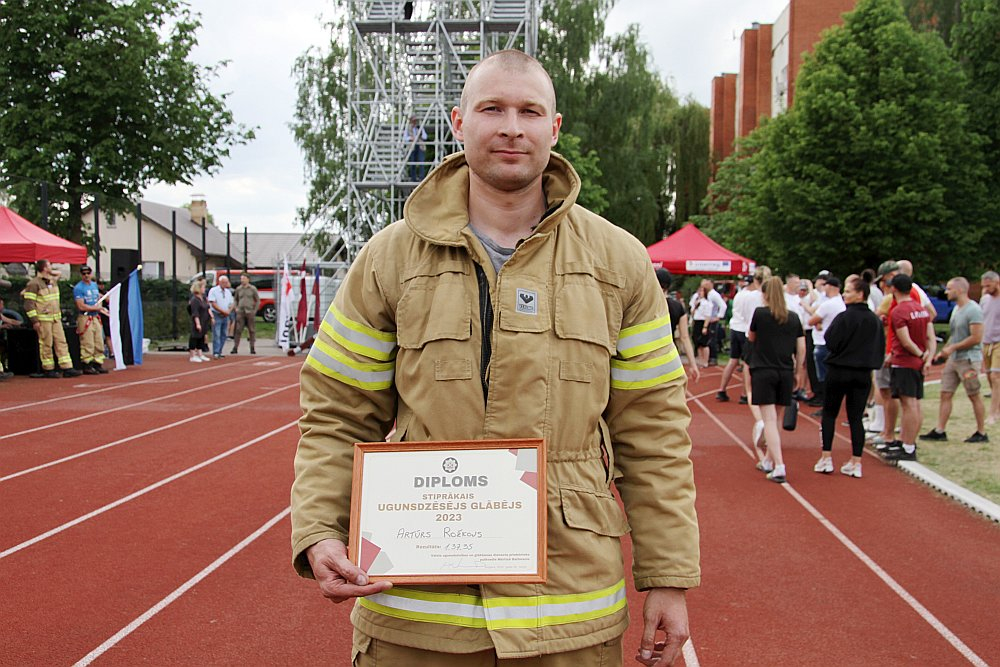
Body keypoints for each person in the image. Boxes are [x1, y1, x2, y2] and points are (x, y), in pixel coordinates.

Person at [292, 50, 699, 667]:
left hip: (568, 618)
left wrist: (668, 574)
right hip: (416, 619)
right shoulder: (389, 260)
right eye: (492, 109)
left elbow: (654, 429)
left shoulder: (619, 263)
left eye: (530, 111)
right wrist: (320, 530)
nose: (512, 127)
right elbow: (337, 413)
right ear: (458, 123)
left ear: (554, 129)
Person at [814, 275, 884, 478]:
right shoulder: (874, 320)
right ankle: (856, 462)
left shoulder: (844, 317)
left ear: (860, 294)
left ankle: (826, 458)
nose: (844, 294)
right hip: (862, 374)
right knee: (855, 418)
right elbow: (879, 347)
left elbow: (830, 340)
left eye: (848, 291)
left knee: (829, 414)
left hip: (838, 370)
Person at [747, 277, 805, 483]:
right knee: (777, 418)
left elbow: (751, 337)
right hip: (785, 371)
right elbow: (801, 349)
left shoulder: (760, 314)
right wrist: (798, 372)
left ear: (765, 294)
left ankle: (779, 465)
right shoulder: (794, 317)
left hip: (764, 369)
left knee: (769, 419)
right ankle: (769, 461)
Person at [920, 277, 988, 443]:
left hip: (969, 360)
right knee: (945, 393)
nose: (946, 292)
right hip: (955, 359)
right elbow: (955, 336)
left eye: (949, 289)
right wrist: (945, 353)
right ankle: (940, 430)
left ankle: (981, 432)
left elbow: (976, 337)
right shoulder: (957, 309)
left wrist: (953, 348)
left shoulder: (974, 310)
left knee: (974, 394)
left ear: (959, 290)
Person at [881, 273, 936, 462]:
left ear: (894, 289)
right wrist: (927, 358)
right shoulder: (921, 309)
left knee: (908, 403)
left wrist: (919, 355)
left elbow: (905, 341)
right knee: (914, 403)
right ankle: (908, 441)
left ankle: (908, 445)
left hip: (905, 362)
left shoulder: (898, 311)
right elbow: (930, 336)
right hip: (916, 362)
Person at [23, 259, 82, 379]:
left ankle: (67, 367)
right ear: (44, 268)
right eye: (49, 265)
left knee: (61, 342)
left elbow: (59, 274)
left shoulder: (51, 281)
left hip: (55, 318)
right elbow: (29, 304)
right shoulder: (34, 284)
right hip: (44, 319)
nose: (52, 267)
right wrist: (35, 320)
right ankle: (48, 368)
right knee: (46, 343)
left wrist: (50, 272)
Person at [717, 267, 769, 403]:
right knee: (747, 363)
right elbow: (753, 316)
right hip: (746, 330)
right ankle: (745, 393)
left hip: (735, 328)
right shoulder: (757, 296)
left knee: (733, 360)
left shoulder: (740, 294)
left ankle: (722, 389)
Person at [806, 276, 846, 415]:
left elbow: (811, 320)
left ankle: (826, 404)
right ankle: (829, 404)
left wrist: (815, 320)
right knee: (831, 375)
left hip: (822, 343)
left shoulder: (828, 304)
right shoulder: (840, 302)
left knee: (824, 377)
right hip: (833, 343)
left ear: (830, 286)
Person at [656, 267, 699, 382]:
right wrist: (693, 364)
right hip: (670, 354)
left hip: (648, 354)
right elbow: (684, 337)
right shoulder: (677, 307)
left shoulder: (644, 304)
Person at [72, 265, 109, 374]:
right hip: (85, 316)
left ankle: (98, 363)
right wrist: (96, 308)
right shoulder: (78, 288)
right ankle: (87, 364)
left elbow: (98, 297)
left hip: (95, 316)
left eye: (88, 273)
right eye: (84, 274)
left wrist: (101, 303)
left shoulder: (94, 285)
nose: (86, 275)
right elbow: (81, 305)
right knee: (88, 342)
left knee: (99, 341)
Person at [979, 270, 1000, 425]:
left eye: (988, 285)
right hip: (986, 342)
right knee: (989, 377)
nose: (986, 288)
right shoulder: (984, 300)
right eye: (984, 286)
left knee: (995, 377)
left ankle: (993, 413)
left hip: (999, 342)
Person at [689, 279, 725, 369]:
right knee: (697, 341)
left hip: (706, 321)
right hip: (697, 321)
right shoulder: (697, 299)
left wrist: (718, 317)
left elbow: (722, 306)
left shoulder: (711, 297)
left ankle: (709, 359)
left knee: (706, 341)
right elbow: (692, 310)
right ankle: (701, 360)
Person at [231, 272, 260, 355]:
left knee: (251, 330)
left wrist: (255, 310)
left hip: (250, 311)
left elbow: (257, 300)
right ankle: (235, 347)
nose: (242, 280)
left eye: (243, 278)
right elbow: (235, 299)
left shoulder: (252, 289)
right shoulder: (238, 289)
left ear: (248, 279)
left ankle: (252, 347)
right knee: (238, 330)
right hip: (240, 311)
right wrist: (236, 308)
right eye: (241, 278)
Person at [207, 274, 233, 359]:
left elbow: (231, 303)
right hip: (217, 314)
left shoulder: (228, 292)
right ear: (220, 282)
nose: (225, 284)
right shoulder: (213, 290)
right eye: (224, 282)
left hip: (225, 315)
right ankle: (216, 352)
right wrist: (222, 311)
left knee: (224, 334)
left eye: (226, 282)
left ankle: (220, 351)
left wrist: (228, 311)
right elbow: (213, 303)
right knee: (216, 334)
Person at [188, 281, 211, 363]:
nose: (204, 289)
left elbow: (208, 307)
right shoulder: (194, 300)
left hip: (204, 320)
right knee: (195, 336)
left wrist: (211, 317)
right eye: (203, 287)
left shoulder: (203, 298)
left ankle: (200, 353)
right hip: (198, 320)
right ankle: (192, 355)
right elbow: (195, 313)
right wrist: (197, 323)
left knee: (202, 337)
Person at [403, 115, 428, 181]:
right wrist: (411, 138)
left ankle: (421, 178)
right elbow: (405, 138)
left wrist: (420, 133)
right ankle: (413, 178)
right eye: (413, 121)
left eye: (415, 121)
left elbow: (425, 137)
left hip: (420, 146)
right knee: (412, 162)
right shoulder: (407, 128)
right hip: (412, 147)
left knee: (421, 162)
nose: (414, 122)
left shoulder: (420, 127)